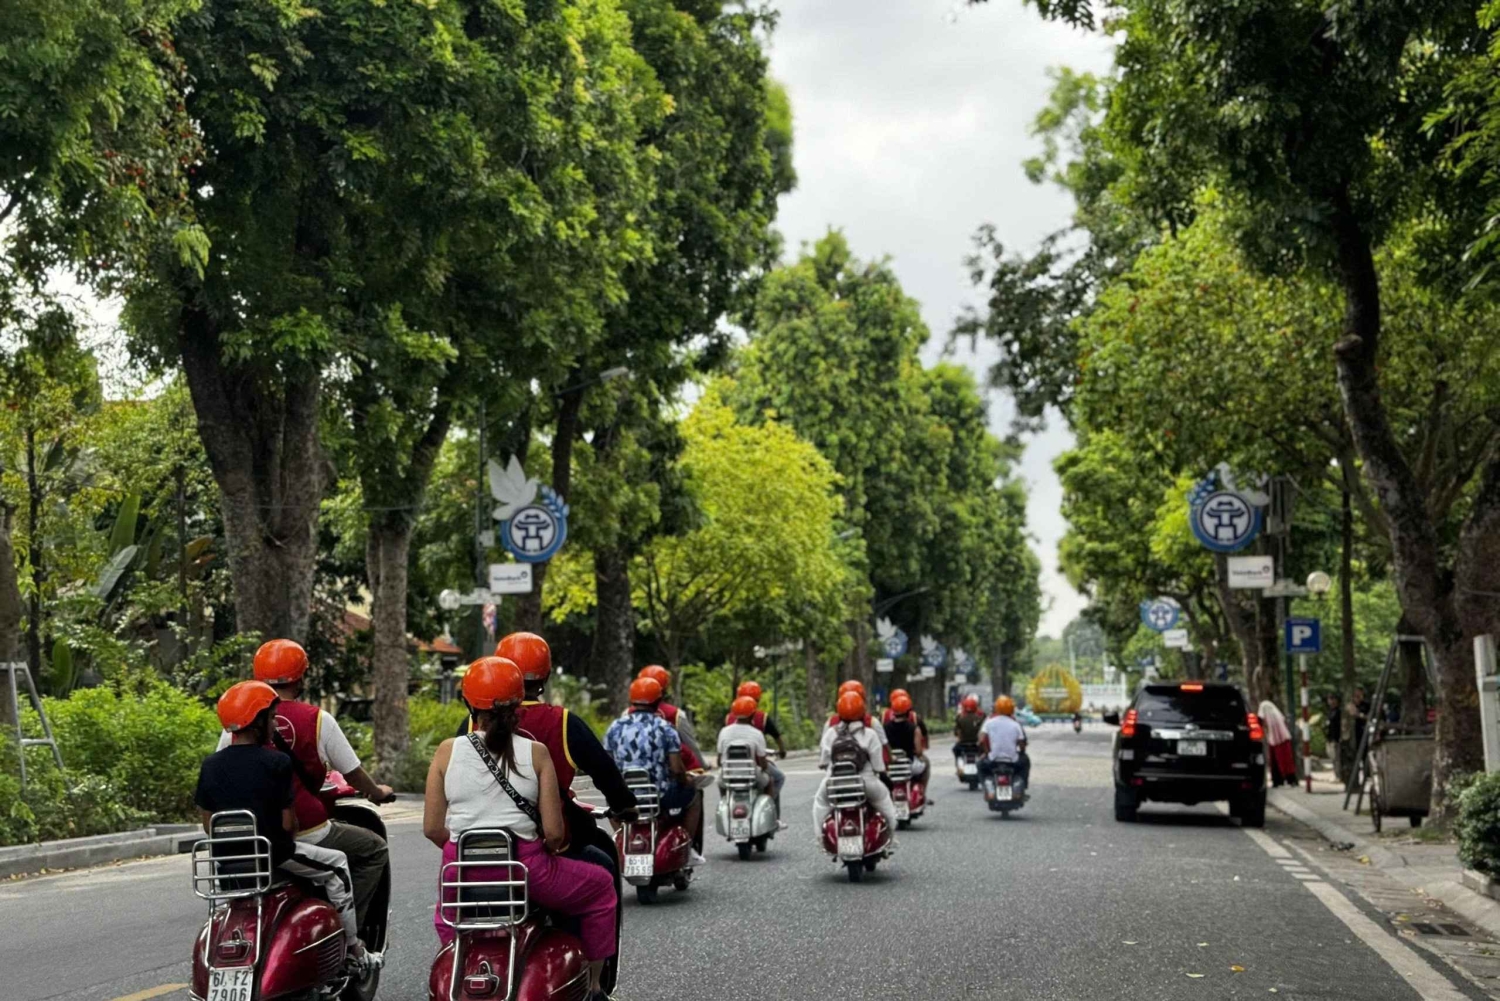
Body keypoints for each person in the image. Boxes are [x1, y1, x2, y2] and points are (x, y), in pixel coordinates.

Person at [424, 657, 616, 1001]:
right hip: (528, 871)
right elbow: (556, 834)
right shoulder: (536, 753)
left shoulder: (446, 752)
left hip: (461, 874)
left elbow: (432, 828)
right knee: (601, 886)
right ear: (519, 702)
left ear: (468, 703)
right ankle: (595, 986)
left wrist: (470, 856)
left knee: (450, 921)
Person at [198, 681, 376, 971]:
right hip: (275, 853)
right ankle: (354, 947)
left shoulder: (211, 764)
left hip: (229, 859)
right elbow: (288, 824)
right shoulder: (276, 762)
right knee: (338, 866)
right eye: (271, 718)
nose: (274, 725)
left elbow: (209, 824)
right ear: (257, 723)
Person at [216, 639, 392, 929]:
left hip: (253, 834)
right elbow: (352, 773)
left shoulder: (239, 724)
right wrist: (377, 793)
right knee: (373, 849)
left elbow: (223, 770)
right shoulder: (318, 719)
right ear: (301, 677)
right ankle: (349, 933)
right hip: (305, 830)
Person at [605, 677, 706, 867]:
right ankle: (689, 848)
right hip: (660, 798)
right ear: (658, 702)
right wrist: (687, 780)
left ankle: (622, 840)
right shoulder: (665, 728)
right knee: (694, 796)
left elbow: (606, 765)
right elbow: (676, 769)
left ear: (631, 701)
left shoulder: (614, 728)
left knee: (610, 808)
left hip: (624, 798)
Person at [812, 690, 898, 840]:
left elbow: (823, 762)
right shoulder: (870, 734)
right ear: (862, 711)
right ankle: (891, 835)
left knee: (820, 802)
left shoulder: (831, 733)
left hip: (834, 784)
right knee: (884, 800)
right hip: (865, 783)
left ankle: (820, 838)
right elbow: (879, 767)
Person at [717, 696, 786, 826]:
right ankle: (769, 814)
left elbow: (719, 760)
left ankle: (725, 805)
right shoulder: (756, 733)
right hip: (751, 776)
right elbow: (762, 763)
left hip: (728, 777)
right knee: (770, 780)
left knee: (720, 783)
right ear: (753, 714)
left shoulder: (724, 732)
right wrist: (765, 768)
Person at [724, 681, 787, 807]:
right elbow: (776, 736)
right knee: (778, 778)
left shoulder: (728, 720)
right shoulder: (761, 719)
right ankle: (767, 807)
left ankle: (725, 803)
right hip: (755, 766)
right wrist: (782, 751)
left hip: (731, 767)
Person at [882, 690, 929, 798]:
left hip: (890, 765)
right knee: (926, 765)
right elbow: (918, 751)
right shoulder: (914, 729)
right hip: (909, 765)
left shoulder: (884, 727)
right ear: (908, 712)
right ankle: (922, 794)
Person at [979, 696, 1030, 788]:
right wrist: (1022, 752)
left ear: (996, 708)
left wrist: (987, 753)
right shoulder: (1015, 724)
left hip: (993, 759)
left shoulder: (989, 722)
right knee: (1026, 761)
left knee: (980, 764)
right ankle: (1023, 786)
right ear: (1012, 708)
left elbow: (981, 740)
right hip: (1012, 760)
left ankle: (985, 787)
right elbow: (1022, 744)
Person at [1258, 699, 1297, 787]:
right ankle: (1280, 780)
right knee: (1279, 761)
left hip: (1279, 741)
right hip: (1277, 740)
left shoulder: (1272, 717)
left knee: (1283, 760)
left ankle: (1284, 779)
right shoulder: (1276, 715)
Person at [953, 694, 986, 763]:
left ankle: (958, 765)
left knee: (955, 750)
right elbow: (984, 732)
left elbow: (957, 732)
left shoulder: (960, 718)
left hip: (963, 744)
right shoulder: (980, 717)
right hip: (977, 744)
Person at [1323, 692, 1344, 781]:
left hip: (1336, 737)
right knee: (1333, 757)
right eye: (1330, 699)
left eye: (1332, 699)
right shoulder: (1330, 712)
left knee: (1337, 758)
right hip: (1330, 737)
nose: (1331, 701)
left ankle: (1338, 775)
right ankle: (1336, 773)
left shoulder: (1338, 712)